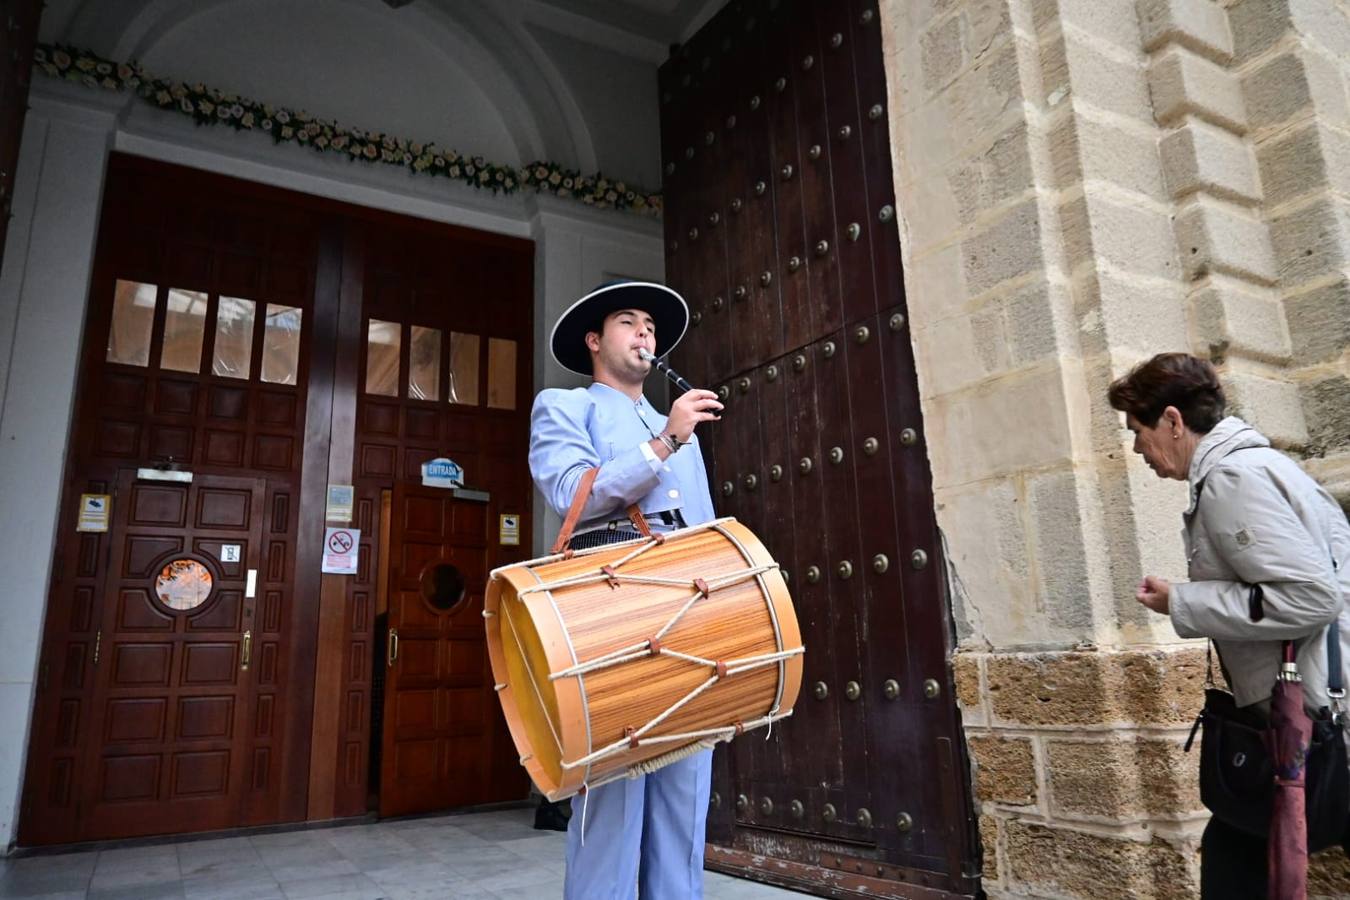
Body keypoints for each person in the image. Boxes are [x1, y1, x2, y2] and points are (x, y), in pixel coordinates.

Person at [1108, 352, 1350, 898]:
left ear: (1172, 420)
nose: (1137, 449)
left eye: (1138, 431)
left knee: (1235, 855)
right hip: (1320, 708)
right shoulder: (1267, 466)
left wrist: (1184, 602)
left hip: (1315, 717)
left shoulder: (1231, 479)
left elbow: (1312, 597)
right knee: (1239, 846)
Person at [528, 280, 724, 899]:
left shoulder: (675, 424)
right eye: (627, 321)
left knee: (685, 796)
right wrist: (665, 440)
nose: (645, 333)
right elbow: (572, 495)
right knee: (610, 802)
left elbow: (702, 525)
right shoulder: (564, 406)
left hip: (688, 616)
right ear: (595, 340)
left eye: (651, 326)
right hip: (611, 612)